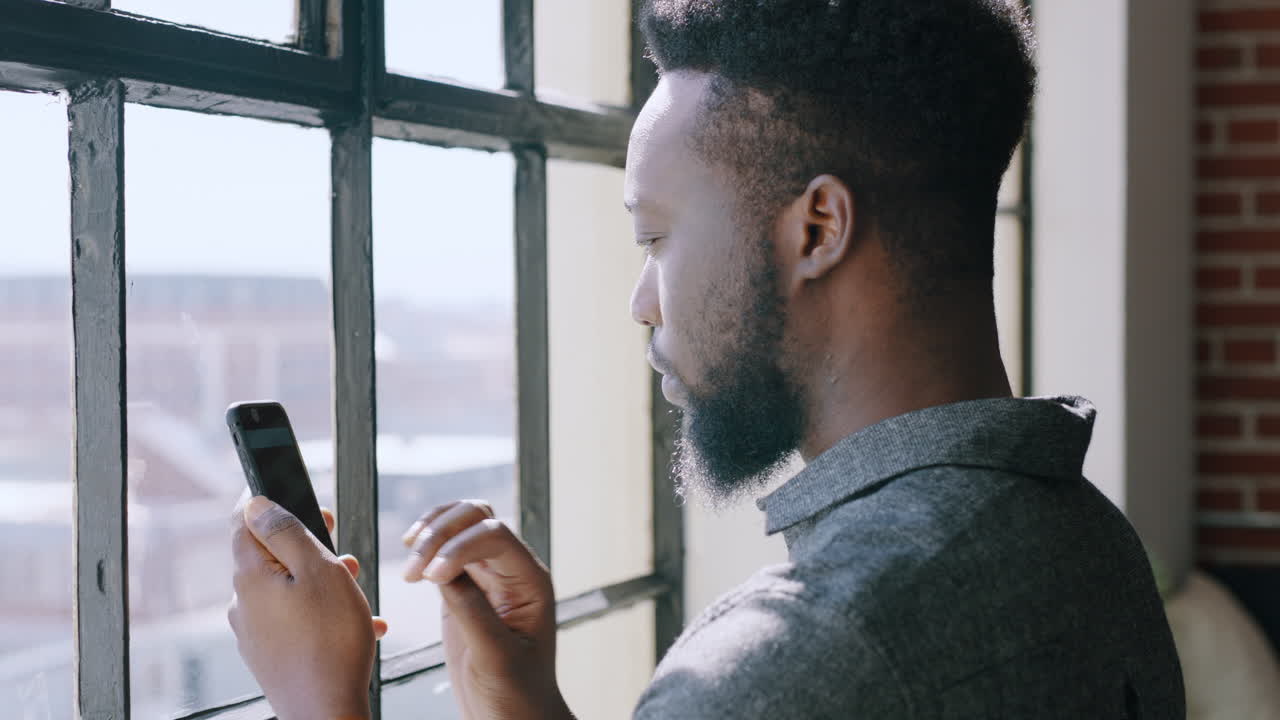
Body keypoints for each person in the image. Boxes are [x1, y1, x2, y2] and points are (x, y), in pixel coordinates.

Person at [227, 0, 1186, 717]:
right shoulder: (1090, 540)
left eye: (656, 238)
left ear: (818, 228)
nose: (641, 302)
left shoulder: (796, 656)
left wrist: (320, 702)